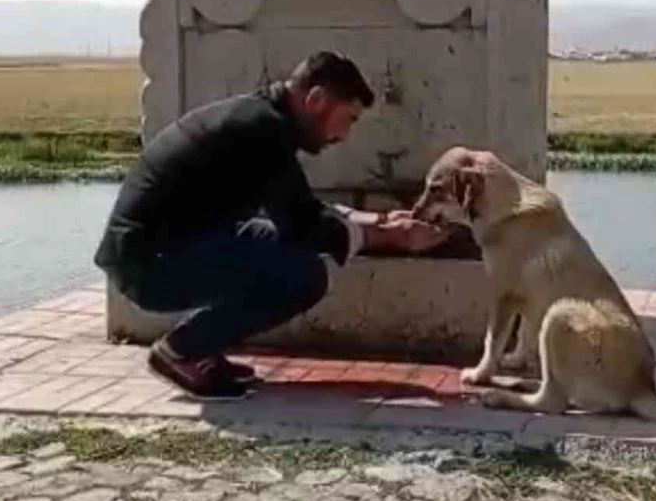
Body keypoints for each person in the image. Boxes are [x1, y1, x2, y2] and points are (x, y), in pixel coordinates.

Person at [94, 51, 447, 397]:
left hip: (167, 248)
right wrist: (388, 237)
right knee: (303, 275)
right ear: (316, 99)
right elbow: (303, 224)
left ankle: (203, 345)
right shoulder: (265, 130)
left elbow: (296, 208)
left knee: (279, 248)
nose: (344, 135)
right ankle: (181, 350)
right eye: (348, 119)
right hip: (150, 266)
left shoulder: (261, 121)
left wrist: (376, 219)